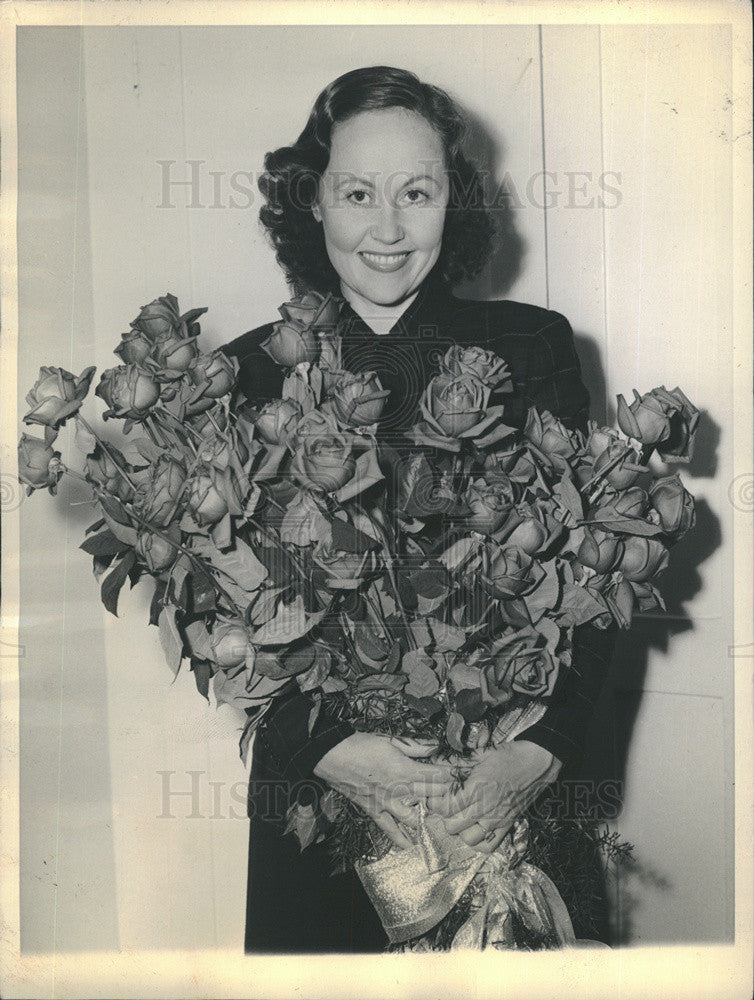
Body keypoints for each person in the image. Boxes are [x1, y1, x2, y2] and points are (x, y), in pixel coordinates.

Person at [223, 66, 617, 953]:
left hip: (502, 803)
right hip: (322, 804)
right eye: (357, 193)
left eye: (417, 192)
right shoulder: (251, 372)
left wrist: (541, 750)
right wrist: (322, 750)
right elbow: (219, 606)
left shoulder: (532, 345)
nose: (388, 229)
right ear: (312, 202)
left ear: (455, 201)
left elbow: (596, 573)